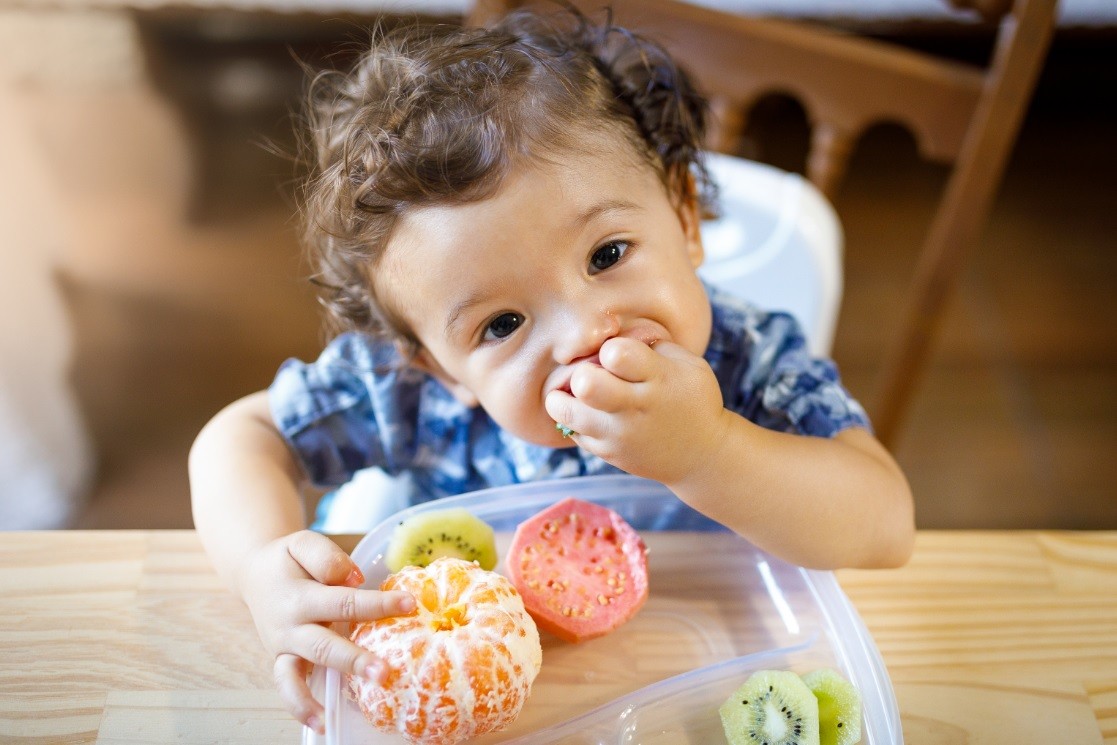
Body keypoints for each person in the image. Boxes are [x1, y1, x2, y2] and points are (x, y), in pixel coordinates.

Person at [189, 7, 914, 734]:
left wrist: (710, 448)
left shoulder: (750, 361)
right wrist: (259, 566)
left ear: (684, 217)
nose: (583, 334)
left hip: (696, 663)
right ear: (436, 365)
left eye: (607, 255)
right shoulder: (416, 394)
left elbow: (884, 523)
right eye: (501, 324)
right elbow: (244, 435)